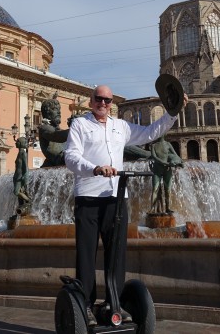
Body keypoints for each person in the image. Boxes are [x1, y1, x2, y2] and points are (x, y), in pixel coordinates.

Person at [64, 84, 186, 327]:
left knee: (117, 254)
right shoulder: (80, 125)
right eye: (99, 99)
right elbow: (71, 156)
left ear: (112, 104)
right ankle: (86, 305)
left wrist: (173, 112)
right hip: (88, 197)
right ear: (91, 101)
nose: (103, 103)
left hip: (116, 199)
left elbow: (151, 132)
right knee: (86, 254)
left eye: (108, 100)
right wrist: (95, 169)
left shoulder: (121, 126)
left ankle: (114, 303)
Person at [149, 135, 183, 214]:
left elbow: (175, 155)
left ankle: (168, 207)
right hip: (157, 169)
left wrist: (179, 161)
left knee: (168, 189)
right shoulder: (154, 145)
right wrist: (164, 162)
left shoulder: (168, 144)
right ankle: (152, 208)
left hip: (167, 169)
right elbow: (154, 157)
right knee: (155, 189)